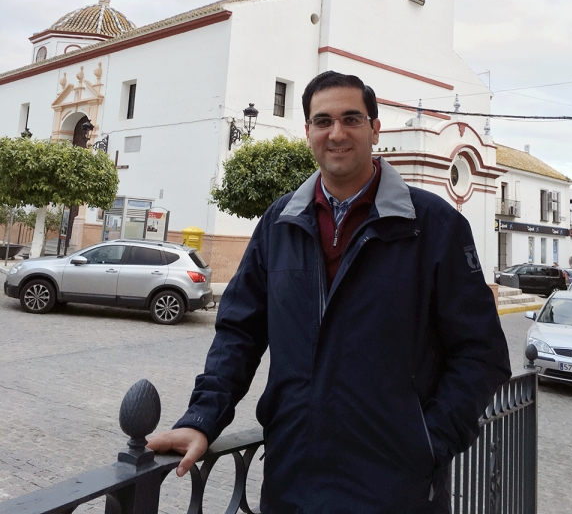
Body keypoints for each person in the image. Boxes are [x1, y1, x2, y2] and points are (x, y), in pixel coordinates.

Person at [148, 71, 511, 513]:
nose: (336, 133)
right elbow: (238, 334)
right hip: (292, 481)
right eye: (323, 121)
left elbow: (481, 355)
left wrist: (427, 442)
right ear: (308, 133)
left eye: (351, 119)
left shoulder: (435, 226)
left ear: (375, 129)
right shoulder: (279, 223)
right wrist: (202, 419)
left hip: (398, 491)